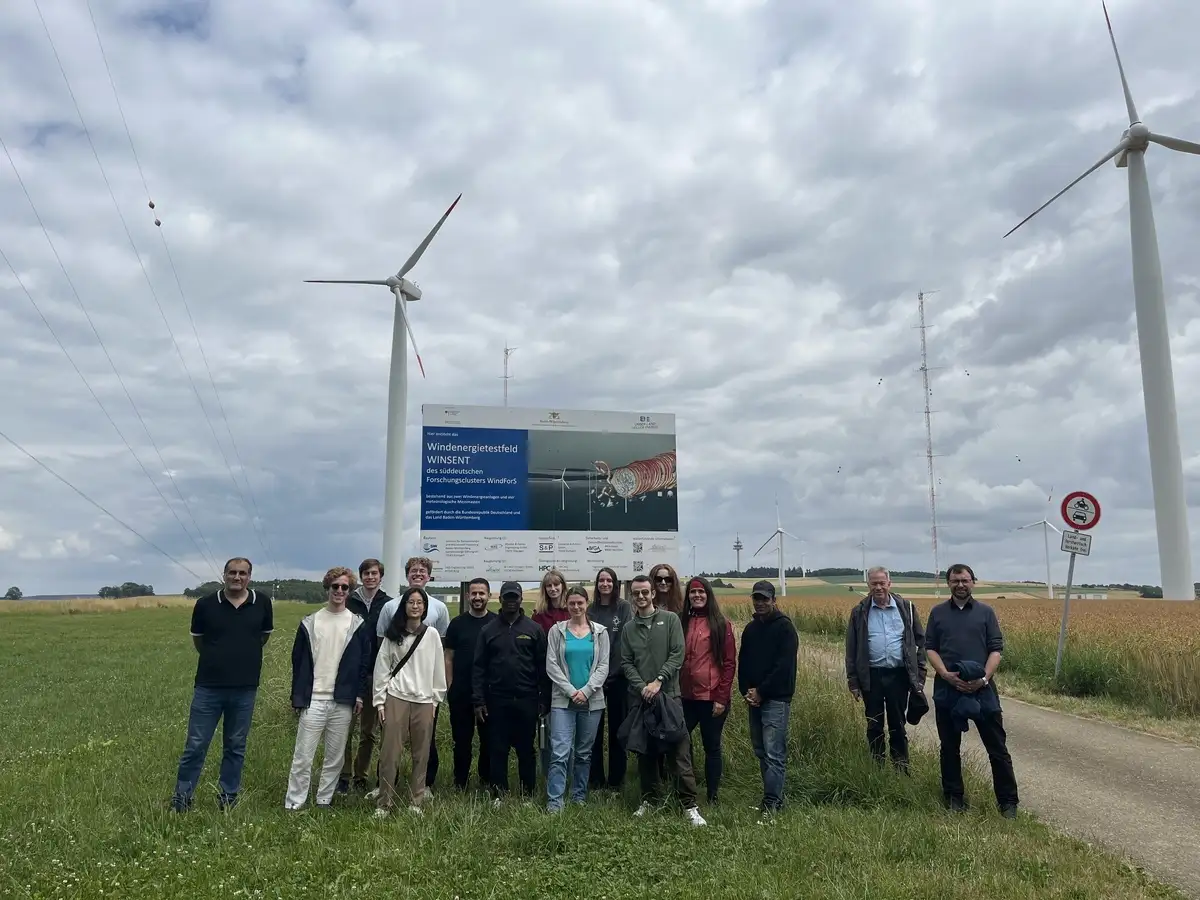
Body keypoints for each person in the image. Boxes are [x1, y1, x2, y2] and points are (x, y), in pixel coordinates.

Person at [170, 557, 273, 812]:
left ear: (250, 576)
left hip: (245, 688)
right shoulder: (205, 605)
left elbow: (263, 637)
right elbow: (199, 641)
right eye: (232, 573)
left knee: (235, 746)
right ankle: (182, 799)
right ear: (224, 575)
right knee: (195, 745)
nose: (237, 577)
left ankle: (228, 798)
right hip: (209, 687)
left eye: (243, 573)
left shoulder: (262, 603)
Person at [925, 563, 1019, 817]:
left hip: (983, 690)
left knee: (997, 749)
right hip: (948, 690)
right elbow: (930, 647)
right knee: (949, 748)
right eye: (955, 581)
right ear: (949, 584)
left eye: (965, 580)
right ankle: (954, 798)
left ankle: (1008, 802)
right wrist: (944, 674)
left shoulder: (986, 613)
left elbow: (996, 649)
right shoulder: (937, 613)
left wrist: (984, 678)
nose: (960, 585)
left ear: (973, 582)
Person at [621, 574, 706, 826]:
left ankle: (689, 806)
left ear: (653, 594)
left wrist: (658, 680)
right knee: (646, 754)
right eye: (636, 593)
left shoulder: (670, 621)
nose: (640, 597)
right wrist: (642, 686)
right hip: (642, 699)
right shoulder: (628, 629)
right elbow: (626, 663)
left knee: (679, 753)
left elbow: (677, 654)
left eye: (645, 592)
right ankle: (649, 800)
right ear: (632, 596)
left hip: (669, 697)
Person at [286, 567, 372, 809]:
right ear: (328, 588)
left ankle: (324, 799)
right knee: (303, 755)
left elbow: (364, 663)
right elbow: (298, 662)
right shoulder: (310, 622)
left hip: (342, 700)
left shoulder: (358, 624)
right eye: (335, 586)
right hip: (313, 699)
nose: (340, 591)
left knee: (335, 757)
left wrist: (359, 695)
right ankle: (295, 802)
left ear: (350, 591)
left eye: (345, 587)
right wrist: (297, 697)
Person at [374, 556, 451, 797]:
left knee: (422, 752)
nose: (415, 606)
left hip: (424, 699)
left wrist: (436, 700)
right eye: (411, 602)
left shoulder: (432, 636)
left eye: (419, 603)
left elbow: (439, 668)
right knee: (390, 752)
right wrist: (379, 700)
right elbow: (382, 667)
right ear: (404, 605)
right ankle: (385, 798)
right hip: (396, 696)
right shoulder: (392, 634)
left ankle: (417, 798)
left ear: (425, 607)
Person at [844, 566, 927, 772]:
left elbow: (920, 642)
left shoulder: (906, 608)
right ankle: (877, 768)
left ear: (889, 584)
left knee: (898, 724)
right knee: (874, 724)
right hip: (871, 676)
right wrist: (853, 681)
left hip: (898, 675)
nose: (878, 587)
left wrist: (920, 675)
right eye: (874, 583)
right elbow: (851, 648)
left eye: (882, 583)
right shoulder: (859, 612)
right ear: (868, 585)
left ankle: (901, 769)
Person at [472, 580, 547, 803]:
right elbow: (478, 668)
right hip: (497, 700)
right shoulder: (488, 630)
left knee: (526, 750)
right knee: (498, 749)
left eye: (515, 597)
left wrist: (544, 699)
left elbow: (543, 667)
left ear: (521, 599)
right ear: (500, 599)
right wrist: (478, 701)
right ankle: (499, 794)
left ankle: (527, 794)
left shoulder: (534, 629)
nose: (511, 601)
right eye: (507, 597)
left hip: (527, 699)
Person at [544, 586, 610, 812]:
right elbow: (551, 665)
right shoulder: (557, 631)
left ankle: (579, 796)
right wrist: (572, 691)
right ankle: (555, 801)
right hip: (563, 702)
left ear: (586, 603)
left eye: (579, 603)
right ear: (567, 604)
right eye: (571, 603)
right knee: (560, 752)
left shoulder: (600, 632)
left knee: (583, 753)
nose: (575, 607)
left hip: (592, 702)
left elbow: (603, 666)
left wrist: (587, 691)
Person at [737, 580, 798, 817]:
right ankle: (770, 799)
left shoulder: (785, 628)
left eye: (765, 598)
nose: (760, 603)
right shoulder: (751, 629)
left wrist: (761, 691)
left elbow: (783, 667)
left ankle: (772, 803)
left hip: (776, 700)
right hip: (754, 699)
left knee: (774, 754)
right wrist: (747, 691)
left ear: (774, 600)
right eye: (756, 598)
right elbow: (744, 663)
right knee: (761, 751)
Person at [338, 558, 393, 794]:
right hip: (350, 672)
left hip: (376, 673)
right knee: (344, 728)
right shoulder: (349, 601)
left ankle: (362, 775)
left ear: (381, 577)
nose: (370, 577)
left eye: (374, 573)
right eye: (366, 573)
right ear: (361, 576)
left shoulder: (389, 604)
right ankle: (343, 775)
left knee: (368, 731)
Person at [680, 576, 736, 804]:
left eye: (701, 592)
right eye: (693, 592)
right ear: (688, 597)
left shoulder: (721, 624)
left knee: (711, 745)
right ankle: (686, 786)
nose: (697, 596)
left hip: (712, 697)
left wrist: (721, 698)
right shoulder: (681, 622)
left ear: (708, 595)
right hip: (685, 696)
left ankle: (712, 795)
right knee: (681, 740)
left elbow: (729, 663)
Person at [443, 577, 497, 790]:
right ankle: (460, 783)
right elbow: (448, 656)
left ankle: (485, 781)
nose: (477, 597)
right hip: (461, 692)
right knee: (462, 742)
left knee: (488, 741)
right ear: (467, 596)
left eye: (481, 593)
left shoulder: (496, 623)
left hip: (488, 693)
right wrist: (450, 685)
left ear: (489, 596)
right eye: (473, 593)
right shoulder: (457, 624)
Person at [587, 566, 633, 790]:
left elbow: (623, 643)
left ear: (615, 584)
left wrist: (611, 674)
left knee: (618, 732)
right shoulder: (590, 610)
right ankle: (595, 780)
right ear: (597, 584)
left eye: (609, 580)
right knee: (594, 732)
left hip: (618, 679)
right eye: (601, 580)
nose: (605, 584)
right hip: (594, 682)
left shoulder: (624, 608)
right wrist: (597, 677)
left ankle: (616, 782)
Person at [532, 569, 569, 775]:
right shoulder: (539, 616)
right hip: (545, 679)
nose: (553, 589)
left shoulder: (572, 610)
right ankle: (548, 774)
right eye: (549, 586)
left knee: (566, 731)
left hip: (570, 678)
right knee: (546, 729)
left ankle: (568, 773)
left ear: (563, 586)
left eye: (556, 585)